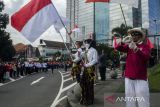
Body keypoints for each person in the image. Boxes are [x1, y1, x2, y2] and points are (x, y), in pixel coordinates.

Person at [115, 28, 151, 107]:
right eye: (133, 34)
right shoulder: (128, 46)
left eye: (136, 34)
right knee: (129, 101)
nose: (134, 36)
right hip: (128, 78)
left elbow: (146, 57)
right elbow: (118, 48)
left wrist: (136, 49)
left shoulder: (145, 46)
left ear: (140, 36)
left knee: (143, 102)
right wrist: (122, 42)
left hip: (140, 78)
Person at [80, 39, 98, 105]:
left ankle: (90, 100)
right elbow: (81, 56)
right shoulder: (86, 50)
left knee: (89, 84)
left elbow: (95, 60)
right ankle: (84, 98)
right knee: (83, 83)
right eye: (85, 43)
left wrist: (87, 65)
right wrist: (78, 54)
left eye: (86, 42)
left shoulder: (94, 50)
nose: (85, 44)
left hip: (90, 69)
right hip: (85, 69)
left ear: (90, 43)